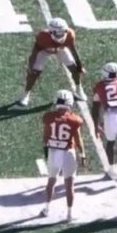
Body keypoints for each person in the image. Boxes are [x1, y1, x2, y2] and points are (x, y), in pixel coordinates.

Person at [40, 90, 87, 221]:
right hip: (68, 153)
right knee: (69, 185)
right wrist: (82, 153)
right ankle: (70, 214)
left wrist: (46, 150)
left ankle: (47, 209)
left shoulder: (48, 117)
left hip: (53, 152)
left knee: (51, 181)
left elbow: (45, 137)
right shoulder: (75, 119)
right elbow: (78, 139)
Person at [18, 18, 86, 107]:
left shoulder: (69, 34)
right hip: (44, 50)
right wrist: (30, 66)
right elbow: (35, 51)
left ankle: (78, 88)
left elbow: (73, 49)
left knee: (75, 69)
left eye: (63, 33)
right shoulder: (42, 37)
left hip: (61, 49)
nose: (61, 36)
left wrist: (79, 65)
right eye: (58, 34)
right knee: (34, 73)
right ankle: (26, 94)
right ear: (50, 32)